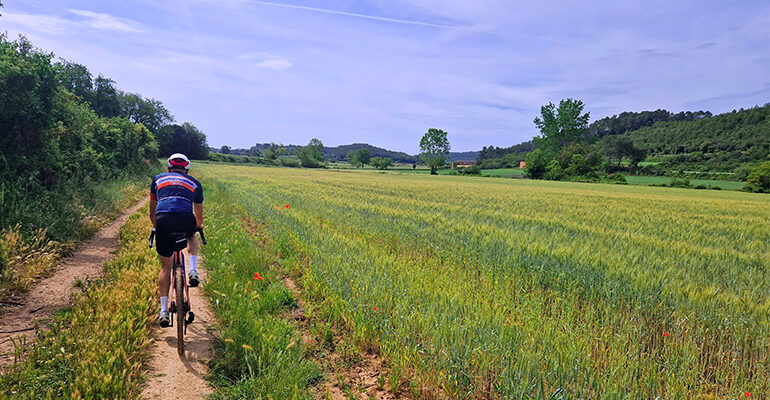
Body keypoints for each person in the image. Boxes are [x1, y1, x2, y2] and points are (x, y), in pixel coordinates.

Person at [149, 153, 204, 327]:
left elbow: (152, 213)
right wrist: (198, 226)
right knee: (193, 234)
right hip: (185, 219)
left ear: (168, 168)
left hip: (163, 220)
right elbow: (199, 218)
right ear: (187, 169)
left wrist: (159, 227)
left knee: (166, 266)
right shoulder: (195, 183)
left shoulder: (157, 179)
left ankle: (164, 311)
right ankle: (193, 270)